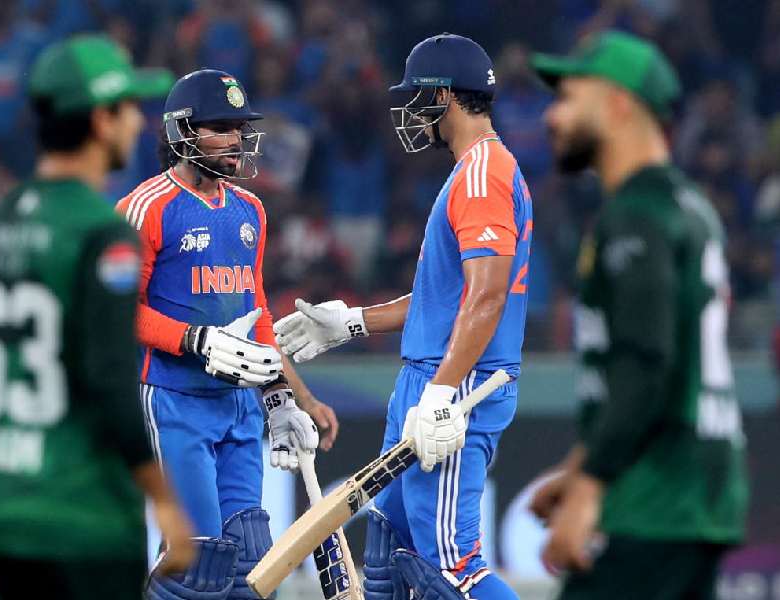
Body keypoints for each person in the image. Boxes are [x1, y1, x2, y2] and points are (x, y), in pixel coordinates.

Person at [274, 33, 532, 600]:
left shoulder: (483, 172)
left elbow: (486, 297)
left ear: (444, 95)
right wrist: (354, 322)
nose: (413, 112)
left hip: (456, 381)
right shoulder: (472, 169)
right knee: (389, 546)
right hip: (434, 375)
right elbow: (447, 297)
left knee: (453, 566)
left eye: (419, 97)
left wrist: (440, 393)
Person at [0, 34, 195, 599]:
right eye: (128, 110)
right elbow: (110, 381)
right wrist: (164, 501)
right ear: (100, 120)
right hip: (83, 516)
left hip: (4, 508)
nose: (139, 124)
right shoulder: (102, 233)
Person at [527, 31, 749, 598]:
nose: (554, 116)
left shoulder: (635, 216)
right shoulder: (691, 207)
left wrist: (589, 490)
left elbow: (646, 365)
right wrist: (580, 465)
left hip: (649, 501)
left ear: (619, 104)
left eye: (571, 97)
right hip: (699, 496)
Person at [114, 68, 339, 600]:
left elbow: (255, 310)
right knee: (199, 566)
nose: (237, 139)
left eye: (239, 127)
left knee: (252, 567)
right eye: (220, 127)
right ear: (182, 133)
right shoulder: (146, 207)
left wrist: (286, 398)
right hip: (175, 401)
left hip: (239, 409)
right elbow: (121, 310)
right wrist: (195, 340)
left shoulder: (251, 211)